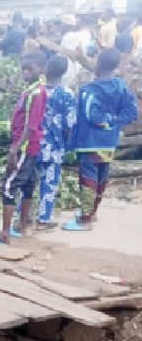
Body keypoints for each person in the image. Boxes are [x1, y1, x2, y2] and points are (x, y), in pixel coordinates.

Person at [63, 49, 138, 231]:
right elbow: (131, 111)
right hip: (109, 142)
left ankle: (85, 219)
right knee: (102, 176)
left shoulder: (89, 90)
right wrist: (115, 123)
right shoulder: (121, 86)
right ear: (116, 65)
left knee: (88, 178)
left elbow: (90, 115)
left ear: (99, 64)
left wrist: (104, 122)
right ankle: (93, 212)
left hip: (90, 142)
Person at [0, 52, 48, 245]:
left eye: (30, 69)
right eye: (23, 69)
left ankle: (4, 233)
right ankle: (22, 225)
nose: (26, 72)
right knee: (28, 184)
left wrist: (14, 149)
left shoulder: (36, 93)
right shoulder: (32, 89)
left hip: (25, 146)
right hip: (30, 146)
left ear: (41, 69)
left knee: (9, 186)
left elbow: (31, 125)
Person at [36, 55, 76, 230]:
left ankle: (22, 218)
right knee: (49, 182)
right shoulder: (66, 94)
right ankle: (43, 219)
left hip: (34, 143)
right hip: (54, 145)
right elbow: (70, 123)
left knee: (28, 182)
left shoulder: (36, 90)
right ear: (64, 72)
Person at [60, 15, 91, 88]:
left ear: (65, 26)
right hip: (77, 69)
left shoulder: (68, 37)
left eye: (62, 24)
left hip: (68, 71)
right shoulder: (83, 35)